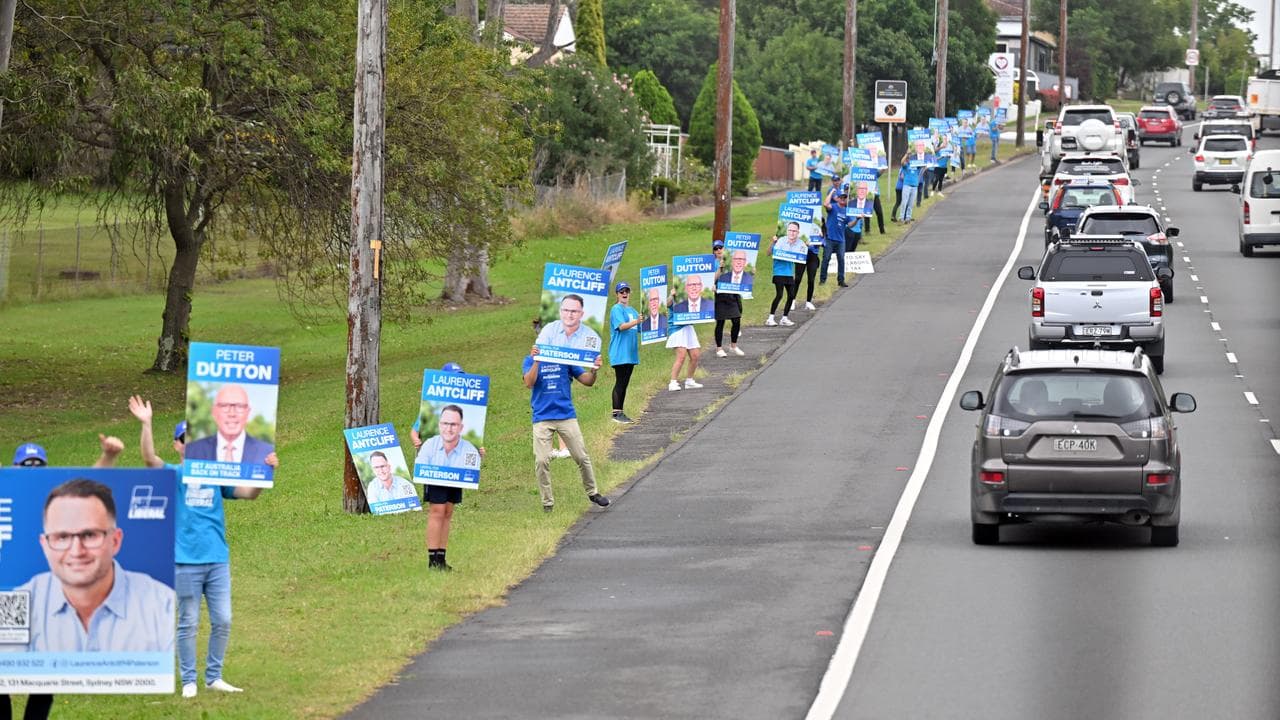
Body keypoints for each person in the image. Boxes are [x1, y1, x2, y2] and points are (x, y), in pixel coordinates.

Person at [129, 395, 273, 698]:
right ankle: (190, 681)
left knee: (223, 619)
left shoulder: (215, 474)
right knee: (188, 622)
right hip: (185, 561)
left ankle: (213, 677)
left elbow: (248, 493)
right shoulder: (174, 473)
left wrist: (265, 472)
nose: (190, 443)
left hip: (217, 558)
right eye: (184, 439)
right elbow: (148, 460)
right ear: (178, 446)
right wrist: (146, 424)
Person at [17, 479, 175, 653]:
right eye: (62, 537)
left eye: (89, 535)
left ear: (115, 541)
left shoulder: (164, 605)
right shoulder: (18, 605)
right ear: (44, 545)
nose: (76, 551)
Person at [522, 347, 611, 512]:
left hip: (566, 415)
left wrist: (593, 370)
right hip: (542, 418)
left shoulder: (566, 357)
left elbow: (587, 381)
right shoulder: (529, 360)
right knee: (541, 461)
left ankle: (593, 493)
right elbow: (529, 383)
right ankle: (547, 503)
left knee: (581, 456)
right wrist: (537, 362)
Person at [415, 399, 484, 571]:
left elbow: (472, 465)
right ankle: (432, 560)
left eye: (454, 424)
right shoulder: (430, 445)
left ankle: (441, 558)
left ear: (461, 427)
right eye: (445, 423)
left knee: (447, 512)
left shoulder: (468, 447)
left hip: (455, 478)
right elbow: (421, 463)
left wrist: (479, 455)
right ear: (439, 425)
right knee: (437, 511)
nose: (449, 428)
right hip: (436, 478)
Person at [184, 384, 274, 465]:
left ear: (248, 412)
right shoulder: (190, 452)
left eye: (239, 406)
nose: (232, 413)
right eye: (224, 406)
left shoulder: (268, 453)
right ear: (214, 412)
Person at [608, 281, 642, 423]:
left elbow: (640, 329)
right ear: (617, 294)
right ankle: (616, 414)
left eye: (626, 291)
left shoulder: (633, 311)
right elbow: (621, 326)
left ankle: (621, 412)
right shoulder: (616, 309)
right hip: (620, 351)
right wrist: (636, 321)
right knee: (620, 381)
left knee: (625, 382)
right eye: (621, 291)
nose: (624, 294)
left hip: (631, 353)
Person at [666, 275, 704, 391]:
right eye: (690, 285)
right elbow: (667, 304)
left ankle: (689, 380)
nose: (693, 287)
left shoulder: (694, 298)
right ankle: (673, 382)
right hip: (676, 328)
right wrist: (671, 295)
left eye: (695, 285)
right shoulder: (677, 295)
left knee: (695, 355)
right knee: (681, 355)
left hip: (688, 327)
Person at [711, 240, 744, 358]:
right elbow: (711, 279)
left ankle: (733, 346)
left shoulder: (732, 260)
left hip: (732, 293)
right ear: (714, 252)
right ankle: (719, 348)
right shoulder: (713, 263)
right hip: (720, 294)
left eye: (720, 248)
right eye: (716, 249)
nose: (719, 250)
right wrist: (720, 268)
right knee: (720, 322)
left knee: (736, 319)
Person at [535, 294, 600, 354]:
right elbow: (538, 352)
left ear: (581, 314)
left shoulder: (591, 336)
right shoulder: (549, 328)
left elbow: (592, 359)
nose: (569, 315)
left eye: (574, 311)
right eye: (566, 310)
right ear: (560, 311)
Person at [765, 223, 802, 327]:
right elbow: (768, 253)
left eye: (794, 231)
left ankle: (784, 318)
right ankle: (770, 318)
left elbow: (801, 256)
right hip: (779, 273)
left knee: (791, 296)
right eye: (790, 230)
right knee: (779, 295)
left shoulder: (795, 244)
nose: (791, 233)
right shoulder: (778, 243)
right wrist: (773, 242)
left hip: (789, 273)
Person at [821, 184, 849, 287]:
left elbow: (849, 224)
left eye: (844, 198)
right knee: (826, 258)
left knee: (841, 259)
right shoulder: (833, 207)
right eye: (841, 197)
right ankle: (822, 280)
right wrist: (832, 192)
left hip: (841, 240)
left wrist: (858, 219)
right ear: (838, 199)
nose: (843, 199)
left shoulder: (847, 211)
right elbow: (825, 204)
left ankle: (841, 280)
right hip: (830, 238)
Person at [898, 143, 927, 223]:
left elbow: (923, 169)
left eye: (913, 155)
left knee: (911, 203)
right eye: (911, 155)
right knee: (904, 202)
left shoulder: (917, 165)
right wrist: (907, 153)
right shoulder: (906, 165)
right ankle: (901, 217)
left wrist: (926, 166)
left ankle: (908, 217)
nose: (912, 156)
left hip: (915, 186)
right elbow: (902, 162)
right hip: (907, 185)